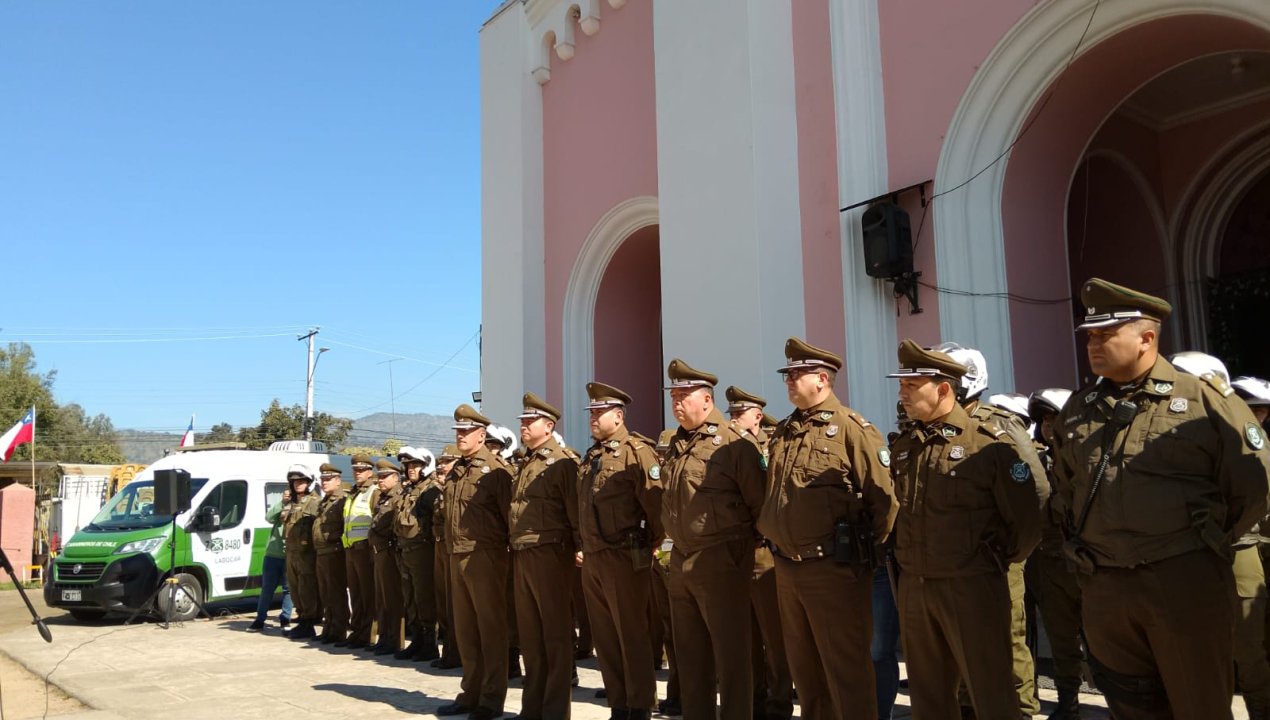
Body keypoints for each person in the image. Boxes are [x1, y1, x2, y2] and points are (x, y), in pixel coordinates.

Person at [1050, 278, 1270, 720]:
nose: (1092, 344)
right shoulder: (1079, 408)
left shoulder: (1202, 400)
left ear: (1146, 338)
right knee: (1131, 709)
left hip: (1181, 583)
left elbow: (1253, 483)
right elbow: (1064, 487)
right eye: (1090, 335)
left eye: (1105, 334)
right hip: (1106, 587)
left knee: (1199, 706)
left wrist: (1204, 542)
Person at [888, 338, 1046, 720]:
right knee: (929, 696)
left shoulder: (987, 442)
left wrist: (997, 558)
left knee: (990, 692)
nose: (902, 393)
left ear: (944, 389)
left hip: (970, 585)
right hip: (917, 586)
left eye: (912, 386)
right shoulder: (908, 445)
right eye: (902, 385)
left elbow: (1032, 512)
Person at [757, 337, 899, 720]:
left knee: (846, 673)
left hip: (833, 570)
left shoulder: (852, 429)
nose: (788, 380)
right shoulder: (785, 430)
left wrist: (858, 557)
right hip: (788, 567)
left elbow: (883, 501)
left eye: (796, 374)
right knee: (807, 675)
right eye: (787, 374)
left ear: (822, 379)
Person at [939, 343, 1045, 719]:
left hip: (998, 559)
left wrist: (1012, 549)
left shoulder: (998, 424)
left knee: (1006, 638)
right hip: (957, 564)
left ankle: (1022, 708)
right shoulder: (936, 427)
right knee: (967, 644)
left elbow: (1037, 490)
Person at [660, 361, 766, 720]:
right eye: (673, 395)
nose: (676, 402)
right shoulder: (677, 443)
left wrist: (738, 551)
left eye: (683, 395)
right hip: (681, 559)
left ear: (706, 400)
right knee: (690, 657)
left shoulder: (735, 445)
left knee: (731, 657)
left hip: (721, 558)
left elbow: (759, 504)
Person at [1173, 353, 1270, 720]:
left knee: (1247, 645)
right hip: (1181, 556)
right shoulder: (1168, 435)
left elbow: (1254, 495)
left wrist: (1222, 534)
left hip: (1233, 547)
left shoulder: (1235, 433)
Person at [578, 381, 664, 720]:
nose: (593, 419)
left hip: (624, 556)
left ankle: (640, 703)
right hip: (594, 557)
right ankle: (619, 702)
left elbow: (655, 505)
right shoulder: (592, 455)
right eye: (592, 413)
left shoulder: (636, 451)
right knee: (605, 636)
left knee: (631, 633)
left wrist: (651, 542)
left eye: (599, 413)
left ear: (619, 414)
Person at [436, 404, 514, 720]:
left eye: (466, 432)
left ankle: (491, 699)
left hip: (486, 556)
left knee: (490, 629)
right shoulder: (456, 471)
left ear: (482, 435)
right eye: (458, 431)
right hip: (457, 555)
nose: (461, 436)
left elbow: (511, 517)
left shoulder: (496, 471)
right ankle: (470, 692)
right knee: (465, 629)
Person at [509, 392, 581, 720]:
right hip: (523, 552)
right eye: (522, 420)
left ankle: (554, 711)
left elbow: (574, 510)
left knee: (554, 636)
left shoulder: (562, 462)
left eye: (529, 421)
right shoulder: (528, 461)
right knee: (531, 638)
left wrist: (579, 547)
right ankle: (532, 708)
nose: (523, 426)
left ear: (548, 426)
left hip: (551, 553)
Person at [725, 385, 794, 720]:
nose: (735, 419)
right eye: (732, 414)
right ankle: (755, 700)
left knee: (773, 634)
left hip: (763, 552)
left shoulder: (770, 448)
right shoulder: (728, 449)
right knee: (747, 634)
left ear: (757, 416)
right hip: (736, 553)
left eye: (741, 413)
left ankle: (779, 702)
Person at [1024, 387, 1084, 720]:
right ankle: (1069, 702)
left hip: (1086, 558)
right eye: (1045, 420)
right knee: (1061, 637)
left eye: (1055, 418)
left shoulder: (1085, 455)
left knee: (1104, 640)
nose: (1049, 426)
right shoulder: (1034, 457)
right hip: (1048, 559)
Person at [394, 446, 441, 661]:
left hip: (423, 550)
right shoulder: (407, 490)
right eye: (408, 466)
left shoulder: (431, 490)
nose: (410, 469)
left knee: (424, 597)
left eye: (415, 465)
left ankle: (429, 643)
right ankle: (417, 641)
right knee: (410, 597)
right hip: (405, 550)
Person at [249, 468, 299, 632]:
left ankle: (285, 619)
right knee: (267, 589)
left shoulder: (301, 504)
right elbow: (269, 517)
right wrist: (282, 502)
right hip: (273, 554)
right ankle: (260, 619)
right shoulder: (283, 504)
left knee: (288, 590)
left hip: (290, 553)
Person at [340, 453, 378, 649]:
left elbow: (375, 521)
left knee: (367, 594)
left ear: (370, 471)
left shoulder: (373, 491)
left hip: (364, 549)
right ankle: (357, 631)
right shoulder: (353, 492)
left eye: (361, 470)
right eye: (355, 470)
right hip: (350, 549)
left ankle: (367, 635)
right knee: (355, 594)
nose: (357, 473)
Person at [367, 458, 404, 655]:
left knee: (392, 598)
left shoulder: (398, 496)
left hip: (389, 551)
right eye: (379, 476)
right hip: (378, 552)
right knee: (381, 598)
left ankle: (394, 640)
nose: (380, 480)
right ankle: (384, 637)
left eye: (384, 476)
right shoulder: (380, 497)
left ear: (395, 477)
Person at [432, 444, 463, 669]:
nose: (442, 466)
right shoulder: (445, 486)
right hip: (442, 547)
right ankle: (450, 652)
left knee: (457, 606)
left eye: (447, 461)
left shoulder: (458, 483)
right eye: (441, 462)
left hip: (459, 549)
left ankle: (457, 653)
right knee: (444, 603)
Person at [282, 464, 321, 640]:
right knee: (294, 588)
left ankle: (309, 622)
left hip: (306, 553)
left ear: (309, 482)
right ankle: (302, 618)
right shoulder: (292, 503)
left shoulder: (314, 502)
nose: (297, 484)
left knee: (306, 588)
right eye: (294, 481)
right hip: (291, 551)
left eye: (301, 481)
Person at [312, 463, 350, 645]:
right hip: (322, 552)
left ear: (337, 481)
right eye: (322, 480)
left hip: (334, 551)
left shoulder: (342, 499)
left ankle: (339, 630)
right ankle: (329, 628)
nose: (324, 483)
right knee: (326, 593)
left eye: (327, 480)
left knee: (336, 593)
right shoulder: (325, 500)